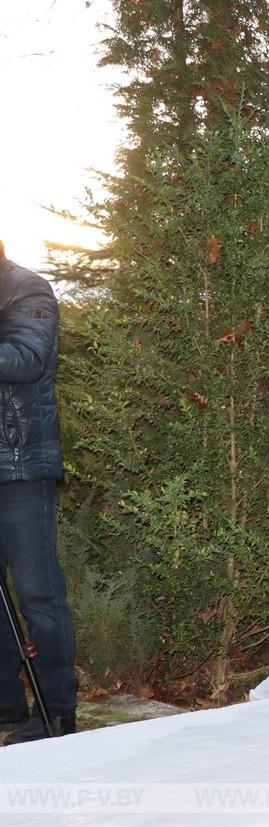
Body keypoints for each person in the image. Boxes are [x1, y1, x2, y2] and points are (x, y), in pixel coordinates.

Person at [0, 240, 77, 744]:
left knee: (37, 593)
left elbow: (26, 358)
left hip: (21, 467)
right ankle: (7, 701)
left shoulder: (27, 289)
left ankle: (57, 711)